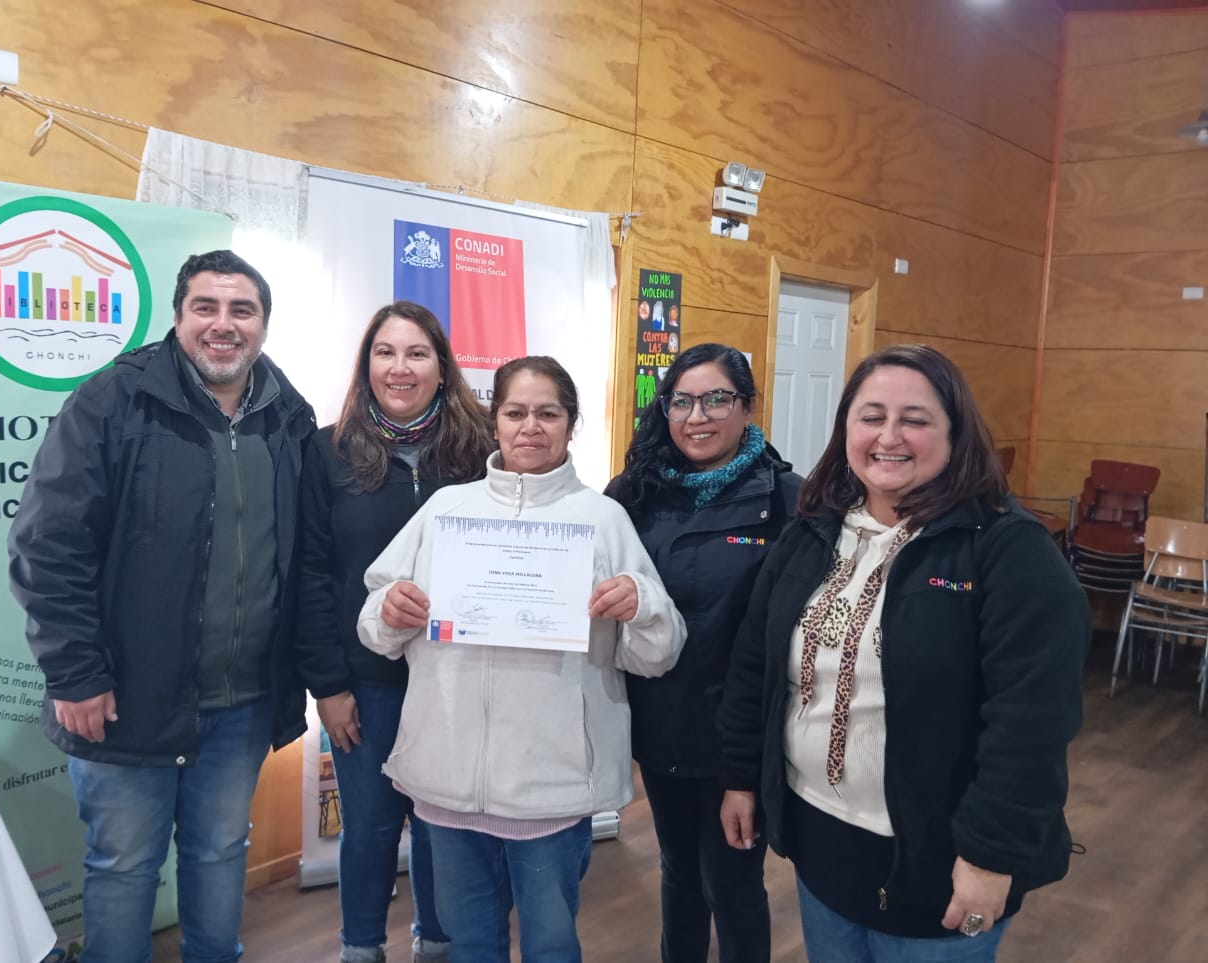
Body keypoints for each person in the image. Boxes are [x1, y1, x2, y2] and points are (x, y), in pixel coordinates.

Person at [718, 344, 1089, 962]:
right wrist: (739, 776)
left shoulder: (1007, 551)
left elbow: (1031, 726)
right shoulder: (813, 531)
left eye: (915, 419)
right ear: (846, 432)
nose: (889, 436)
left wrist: (990, 855)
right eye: (871, 417)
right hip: (822, 844)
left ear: (955, 434)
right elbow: (754, 663)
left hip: (940, 865)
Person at [8, 250, 316, 963]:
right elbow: (45, 546)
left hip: (242, 701)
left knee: (218, 853)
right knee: (123, 866)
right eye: (205, 306)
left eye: (242, 310)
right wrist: (75, 674)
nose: (223, 324)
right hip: (124, 698)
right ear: (178, 317)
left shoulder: (288, 415)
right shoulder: (113, 401)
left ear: (263, 324)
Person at [358, 356, 687, 963]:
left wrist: (640, 606)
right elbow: (376, 627)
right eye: (515, 412)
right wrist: (390, 610)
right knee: (470, 942)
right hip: (448, 778)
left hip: (551, 786)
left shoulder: (602, 519)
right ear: (495, 421)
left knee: (551, 944)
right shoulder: (445, 511)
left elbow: (657, 655)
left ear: (570, 423)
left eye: (547, 413)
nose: (530, 426)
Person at [293, 301, 492, 963]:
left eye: (416, 353)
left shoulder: (483, 450)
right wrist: (328, 683)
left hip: (456, 679)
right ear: (366, 363)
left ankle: (435, 941)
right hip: (366, 684)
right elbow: (312, 574)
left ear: (442, 366)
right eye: (385, 352)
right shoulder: (325, 451)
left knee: (444, 825)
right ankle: (361, 946)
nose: (399, 367)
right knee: (371, 827)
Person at [605, 343, 803, 963]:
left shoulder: (788, 501)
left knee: (733, 882)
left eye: (717, 399)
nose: (698, 416)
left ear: (745, 406)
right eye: (683, 401)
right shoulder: (632, 493)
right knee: (678, 870)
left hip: (738, 733)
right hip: (660, 721)